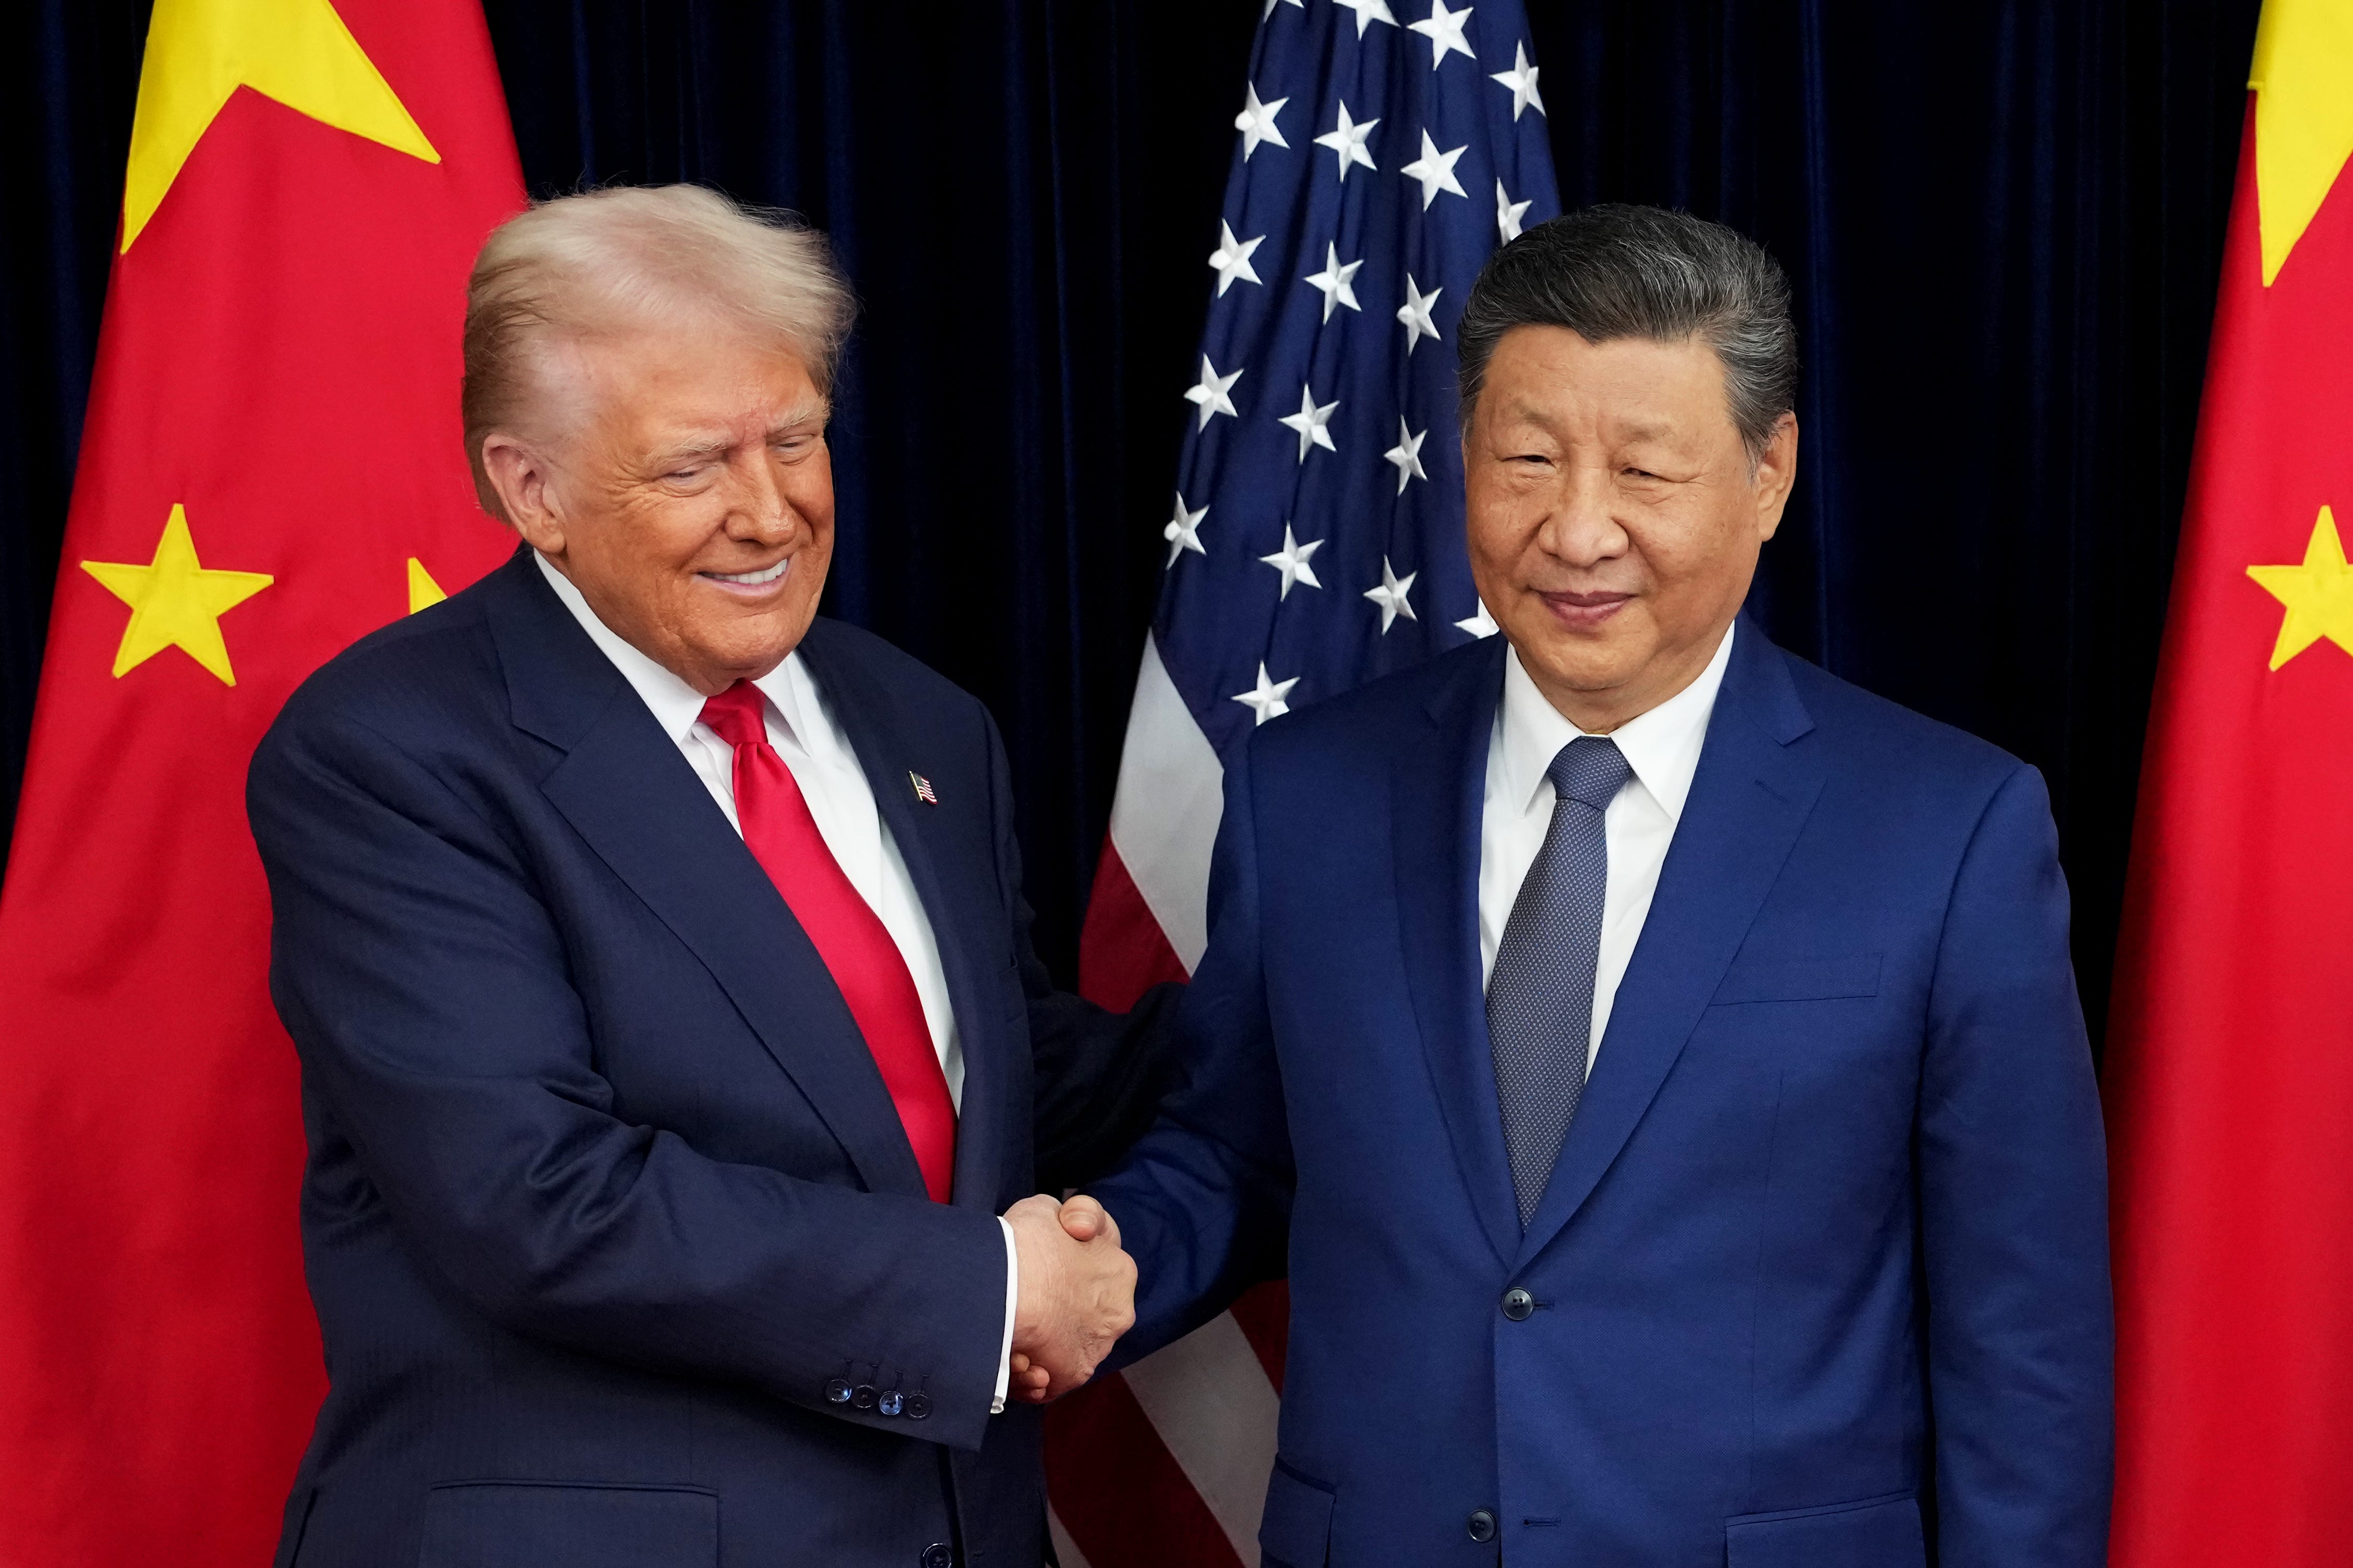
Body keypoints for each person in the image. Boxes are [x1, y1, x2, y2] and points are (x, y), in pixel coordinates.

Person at [1064, 206, 2114, 1566]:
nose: (1576, 529)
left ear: (1769, 473)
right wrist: (1087, 1266)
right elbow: (1239, 1153)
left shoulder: (1948, 832)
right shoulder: (1305, 795)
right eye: (1528, 459)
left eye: (1644, 472)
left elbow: (2022, 1345)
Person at [246, 185, 1153, 1568]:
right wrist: (990, 1293)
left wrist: (1336, 1024)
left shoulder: (920, 724)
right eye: (691, 467)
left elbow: (996, 1076)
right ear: (529, 489)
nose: (769, 509)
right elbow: (536, 1197)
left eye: (794, 438)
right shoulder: (389, 752)